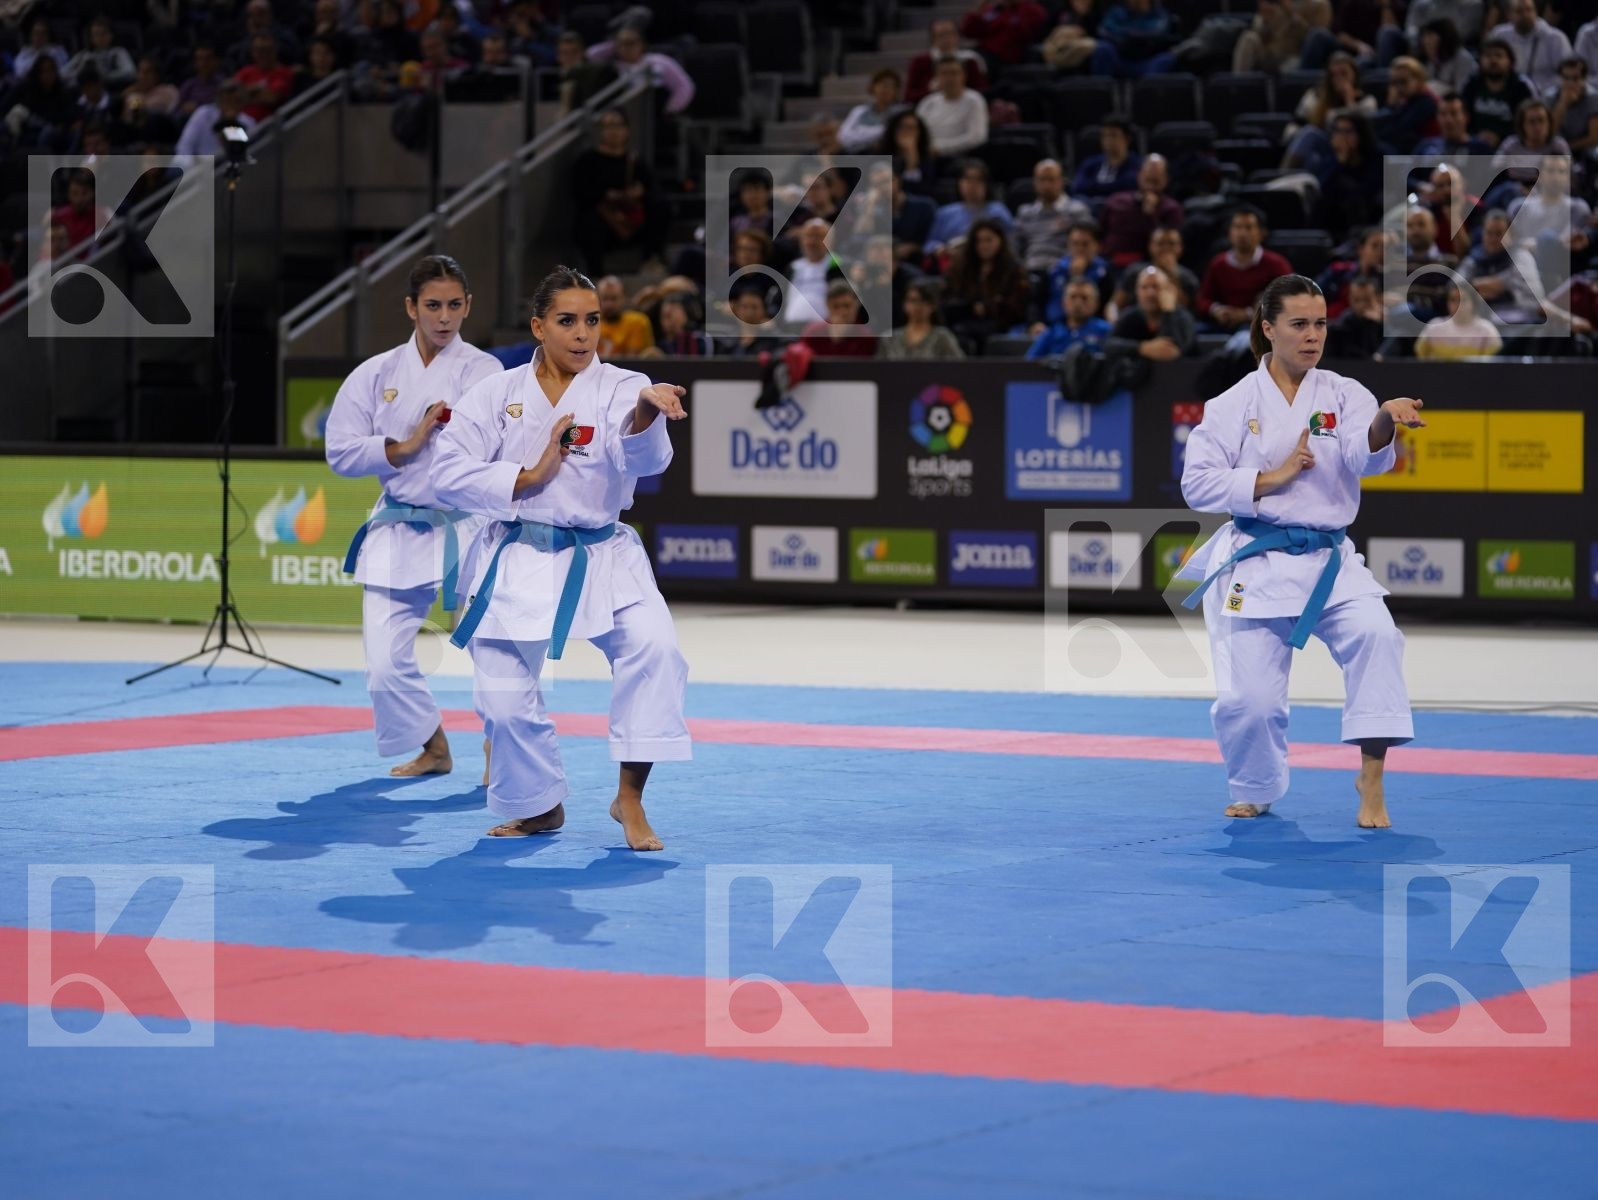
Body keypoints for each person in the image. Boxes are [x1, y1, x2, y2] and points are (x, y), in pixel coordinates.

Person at [432, 266, 691, 850]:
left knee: (656, 650)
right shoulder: (497, 393)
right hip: (517, 552)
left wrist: (647, 415)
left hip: (601, 554)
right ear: (538, 326)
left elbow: (649, 462)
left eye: (593, 321)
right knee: (500, 694)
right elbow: (446, 471)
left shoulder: (625, 385)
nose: (583, 334)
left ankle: (629, 797)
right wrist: (526, 476)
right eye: (567, 321)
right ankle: (538, 804)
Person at [1178, 274, 1425, 828]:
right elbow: (1197, 484)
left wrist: (1385, 418)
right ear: (1268, 330)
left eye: (1320, 324)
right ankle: (1257, 785)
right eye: (1299, 325)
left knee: (1378, 635)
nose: (1313, 336)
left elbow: (1364, 455)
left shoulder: (1345, 394)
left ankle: (1372, 778)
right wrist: (1271, 477)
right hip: (1259, 562)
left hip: (1330, 562)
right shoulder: (1231, 404)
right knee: (1250, 704)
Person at [325, 255, 503, 779]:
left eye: (454, 305)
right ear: (411, 308)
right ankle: (433, 746)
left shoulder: (485, 372)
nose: (444, 317)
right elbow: (339, 451)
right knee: (383, 661)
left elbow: (492, 447)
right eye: (432, 306)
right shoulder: (376, 373)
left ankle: (501, 743)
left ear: (468, 306)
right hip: (398, 525)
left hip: (466, 524)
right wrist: (402, 448)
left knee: (493, 645)